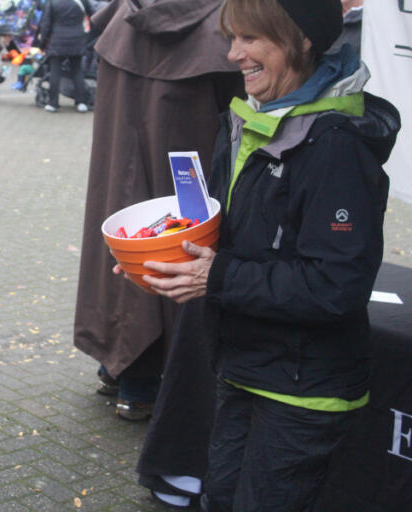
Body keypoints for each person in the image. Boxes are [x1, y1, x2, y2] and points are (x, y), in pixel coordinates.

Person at [127, 0, 400, 509]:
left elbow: (336, 285)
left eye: (251, 39)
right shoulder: (249, 119)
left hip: (302, 390)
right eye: (232, 38)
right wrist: (158, 258)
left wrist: (218, 276)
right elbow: (227, 238)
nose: (233, 54)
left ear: (301, 38)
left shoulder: (336, 145)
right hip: (242, 366)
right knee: (221, 498)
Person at [74, 0, 242, 421]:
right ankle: (141, 381)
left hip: (128, 162)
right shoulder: (221, 22)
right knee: (177, 243)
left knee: (136, 235)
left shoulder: (128, 14)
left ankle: (122, 369)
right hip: (187, 161)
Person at [36, 0, 94, 113]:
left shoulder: (52, 2)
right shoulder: (82, 1)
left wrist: (42, 43)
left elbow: (46, 23)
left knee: (55, 72)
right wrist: (87, 37)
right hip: (77, 38)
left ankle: (53, 103)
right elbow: (93, 17)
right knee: (77, 71)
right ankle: (81, 102)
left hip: (57, 39)